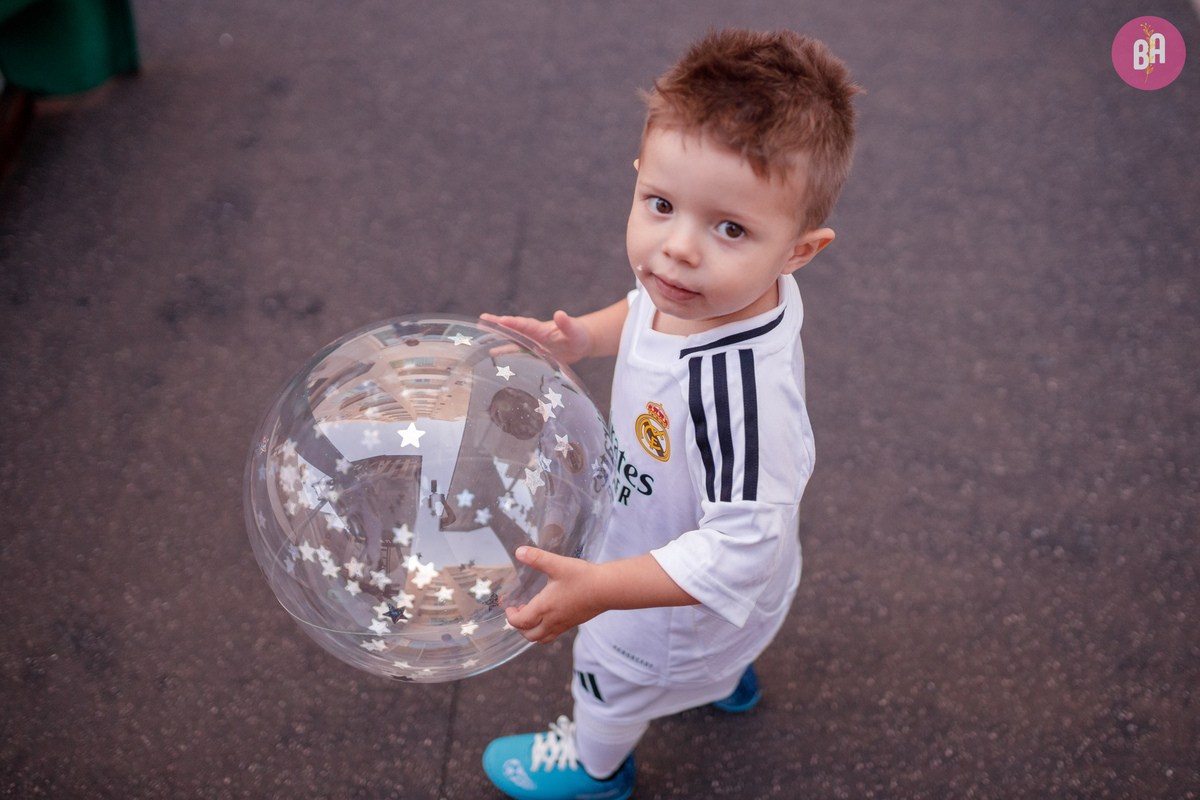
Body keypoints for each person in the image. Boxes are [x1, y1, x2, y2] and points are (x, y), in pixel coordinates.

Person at [479, 28, 861, 800]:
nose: (676, 251)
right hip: (691, 569)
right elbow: (642, 312)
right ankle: (724, 678)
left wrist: (601, 591)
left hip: (658, 601)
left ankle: (595, 768)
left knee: (608, 683)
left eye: (729, 228)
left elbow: (742, 546)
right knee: (724, 642)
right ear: (638, 179)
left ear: (801, 249)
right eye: (660, 204)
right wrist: (582, 337)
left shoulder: (737, 392)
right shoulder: (719, 296)